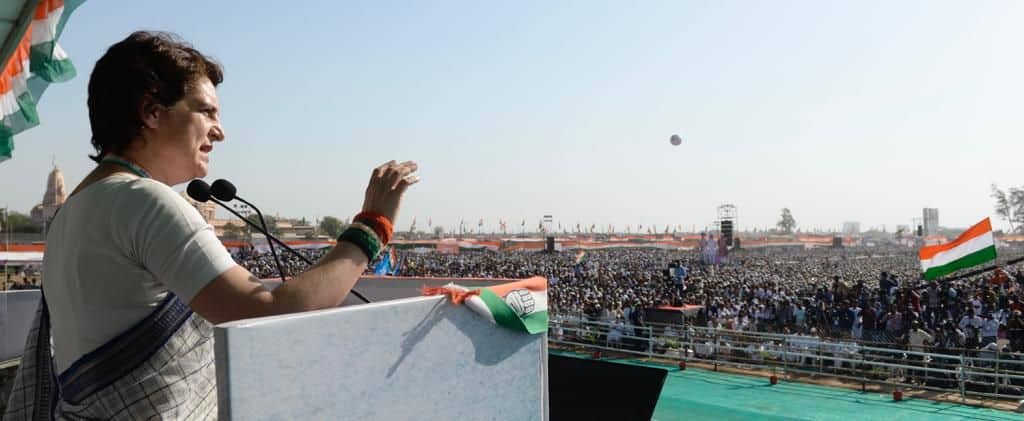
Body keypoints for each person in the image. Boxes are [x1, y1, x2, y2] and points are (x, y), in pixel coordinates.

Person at [4, 31, 419, 420]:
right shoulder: (143, 201)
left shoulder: (73, 211)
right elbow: (268, 314)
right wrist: (372, 226)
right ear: (151, 111)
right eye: (206, 111)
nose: (220, 132)